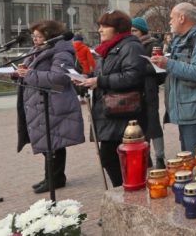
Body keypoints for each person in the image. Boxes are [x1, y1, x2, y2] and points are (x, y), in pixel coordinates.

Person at [76, 10, 146, 187]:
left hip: (123, 110)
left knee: (113, 158)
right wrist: (86, 79)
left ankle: (125, 192)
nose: (100, 30)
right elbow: (105, 73)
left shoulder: (130, 46)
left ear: (118, 28)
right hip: (110, 110)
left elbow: (133, 76)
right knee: (112, 158)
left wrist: (100, 81)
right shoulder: (108, 48)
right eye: (99, 26)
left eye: (105, 26)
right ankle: (123, 192)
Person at [16, 20, 85, 194]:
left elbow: (59, 78)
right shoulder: (37, 51)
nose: (35, 40)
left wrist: (30, 74)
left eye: (39, 36)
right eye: (34, 36)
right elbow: (32, 72)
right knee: (48, 144)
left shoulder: (62, 52)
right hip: (40, 103)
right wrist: (19, 74)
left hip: (53, 103)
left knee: (54, 142)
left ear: (51, 36)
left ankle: (56, 178)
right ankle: (50, 177)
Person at [151, 3, 196, 153]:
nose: (170, 22)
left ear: (182, 18)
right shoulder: (180, 40)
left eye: (171, 18)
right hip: (187, 109)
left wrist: (168, 63)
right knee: (189, 160)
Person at [130, 17, 166, 169]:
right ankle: (146, 156)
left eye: (135, 30)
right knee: (139, 126)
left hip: (149, 91)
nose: (132, 33)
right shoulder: (131, 45)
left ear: (142, 31)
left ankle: (159, 157)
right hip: (135, 92)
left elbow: (159, 69)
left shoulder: (153, 44)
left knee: (153, 125)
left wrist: (137, 69)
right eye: (130, 31)